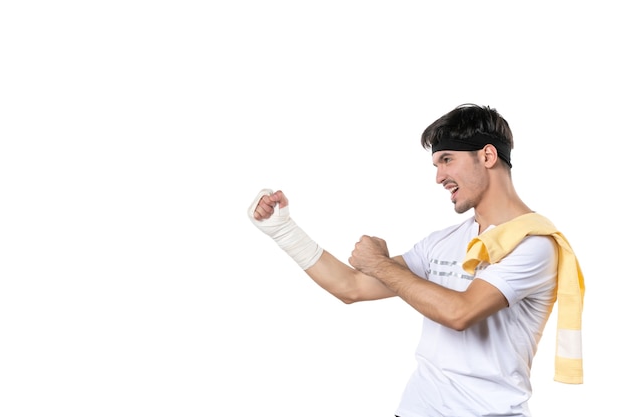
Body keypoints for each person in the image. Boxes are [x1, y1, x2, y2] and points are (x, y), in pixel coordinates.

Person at [247, 104, 584, 417]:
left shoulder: (535, 244)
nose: (439, 177)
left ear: (488, 155)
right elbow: (350, 287)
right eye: (437, 164)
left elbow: (460, 312)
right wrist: (284, 231)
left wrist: (379, 264)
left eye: (447, 160)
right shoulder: (441, 242)